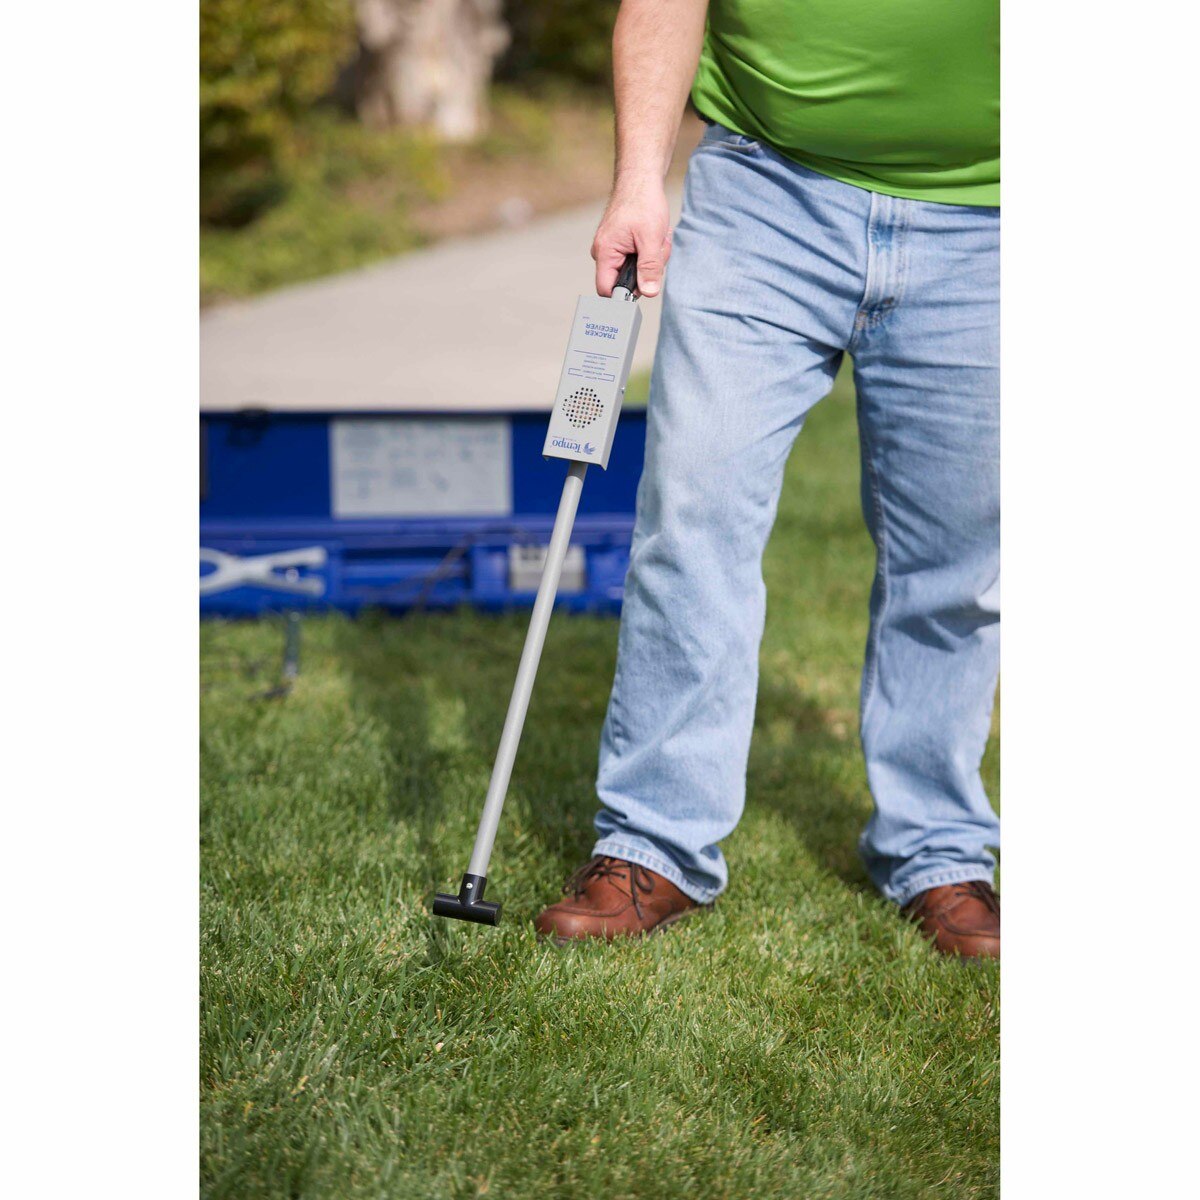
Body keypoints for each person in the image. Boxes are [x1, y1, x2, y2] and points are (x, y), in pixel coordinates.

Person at [535, 0, 1001, 958]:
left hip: (995, 219)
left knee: (958, 559)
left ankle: (939, 849)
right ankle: (654, 843)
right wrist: (637, 181)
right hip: (766, 191)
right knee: (693, 516)